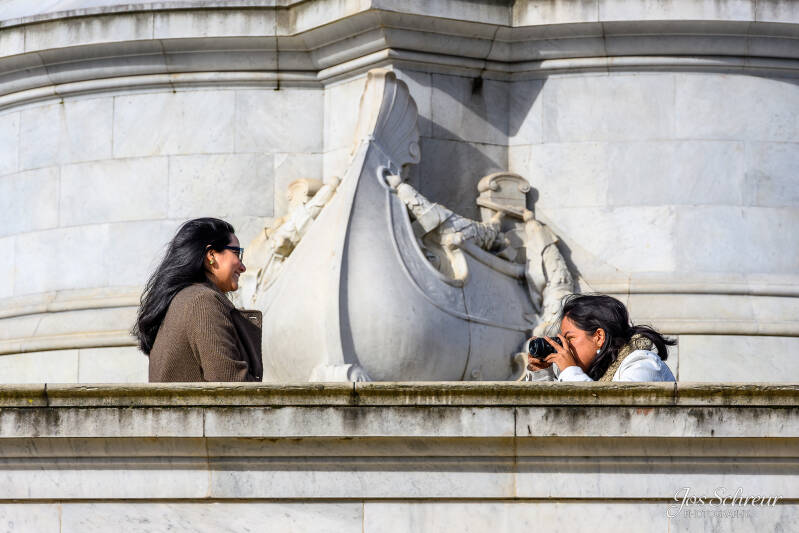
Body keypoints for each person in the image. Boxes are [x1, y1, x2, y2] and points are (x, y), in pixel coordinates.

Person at [132, 218, 263, 382]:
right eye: (237, 253)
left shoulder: (184, 299)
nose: (243, 267)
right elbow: (230, 383)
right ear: (212, 255)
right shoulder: (202, 301)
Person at [527, 294, 676, 382]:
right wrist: (541, 373)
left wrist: (570, 371)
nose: (564, 346)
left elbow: (613, 418)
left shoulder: (642, 364)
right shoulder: (591, 374)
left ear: (599, 337)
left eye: (570, 338)